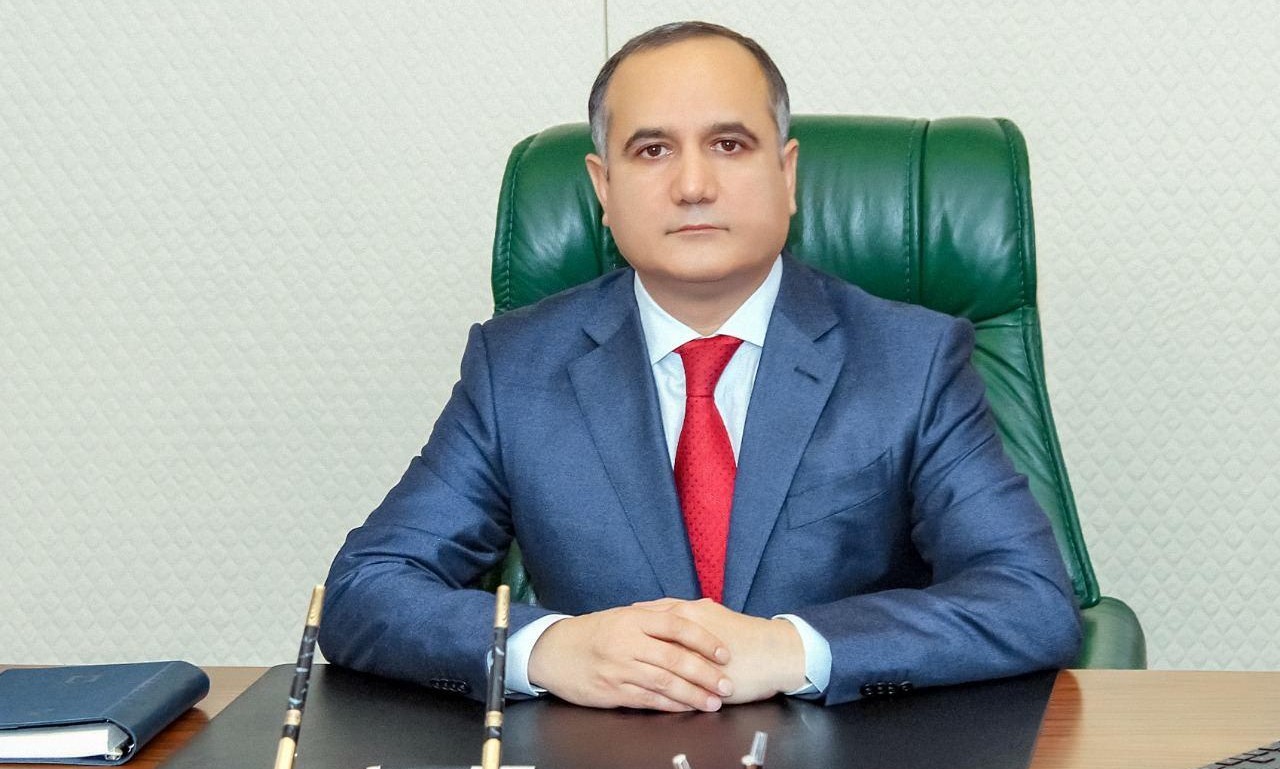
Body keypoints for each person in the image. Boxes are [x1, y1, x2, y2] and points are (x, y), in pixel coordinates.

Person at [319, 20, 1081, 711]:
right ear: (603, 188)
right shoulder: (515, 368)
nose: (692, 187)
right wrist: (550, 649)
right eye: (652, 151)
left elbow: (1030, 599)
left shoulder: (911, 360)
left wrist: (792, 649)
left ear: (787, 174)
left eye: (729, 145)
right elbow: (365, 589)